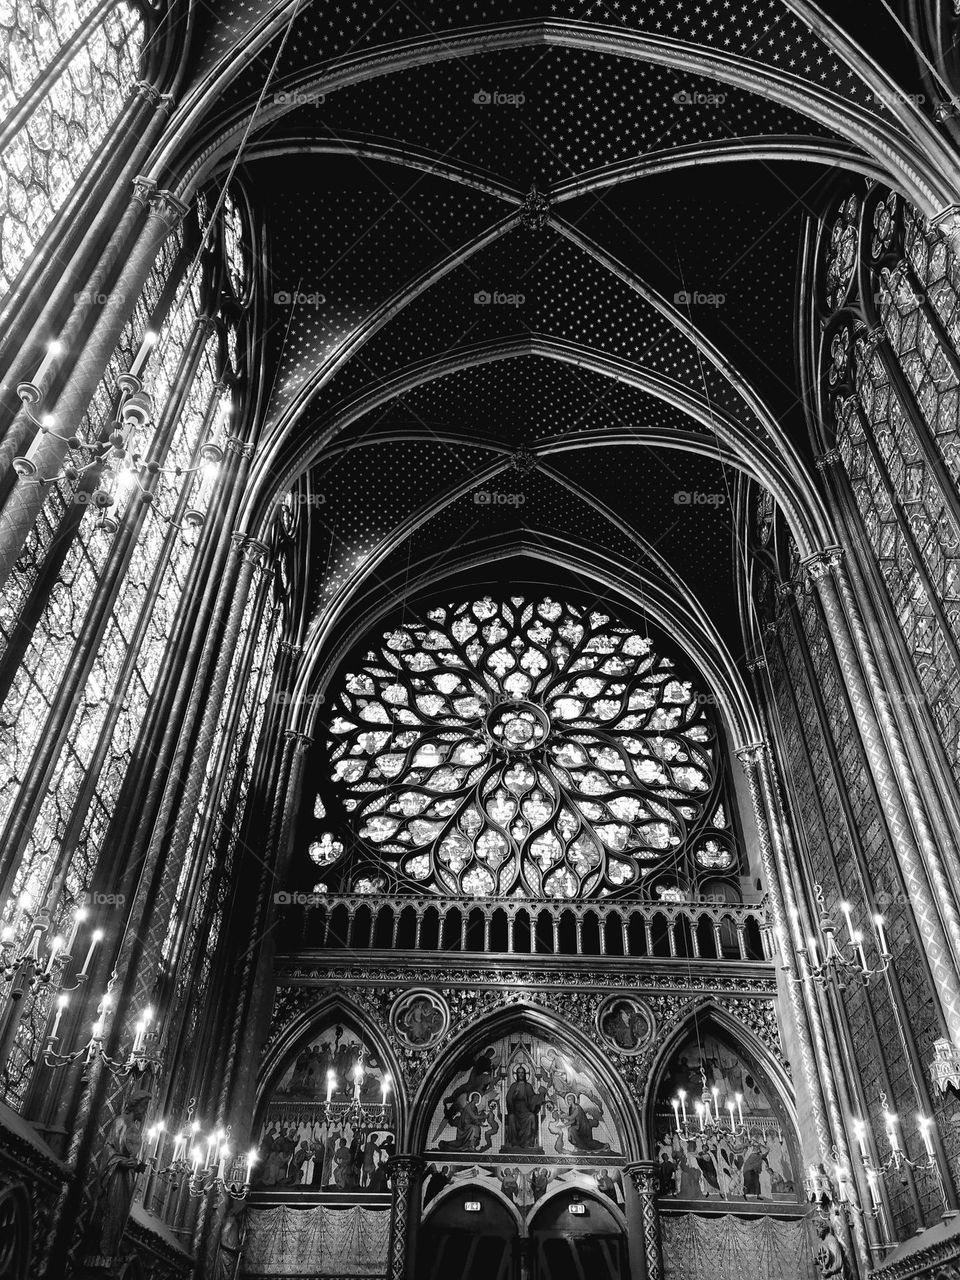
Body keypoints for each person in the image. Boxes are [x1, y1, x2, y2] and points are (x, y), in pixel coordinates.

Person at [89, 1089, 151, 1257]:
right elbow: (109, 1148)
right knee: (111, 1211)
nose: (145, 1110)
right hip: (115, 1176)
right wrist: (121, 1161)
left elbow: (130, 1154)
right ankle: (101, 1253)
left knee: (119, 1218)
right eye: (143, 1105)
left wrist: (136, 1166)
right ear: (135, 1105)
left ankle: (109, 1252)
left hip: (126, 1179)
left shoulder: (135, 1129)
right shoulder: (120, 1122)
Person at [505, 1067, 546, 1150]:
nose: (520, 1074)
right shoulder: (513, 1086)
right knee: (511, 1118)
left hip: (525, 1110)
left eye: (522, 1072)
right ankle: (514, 1142)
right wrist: (514, 1096)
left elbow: (532, 1099)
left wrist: (540, 1095)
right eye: (519, 1073)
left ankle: (527, 1142)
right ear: (516, 1074)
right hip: (515, 1111)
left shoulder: (528, 1086)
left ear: (525, 1074)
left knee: (531, 1116)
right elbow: (508, 1099)